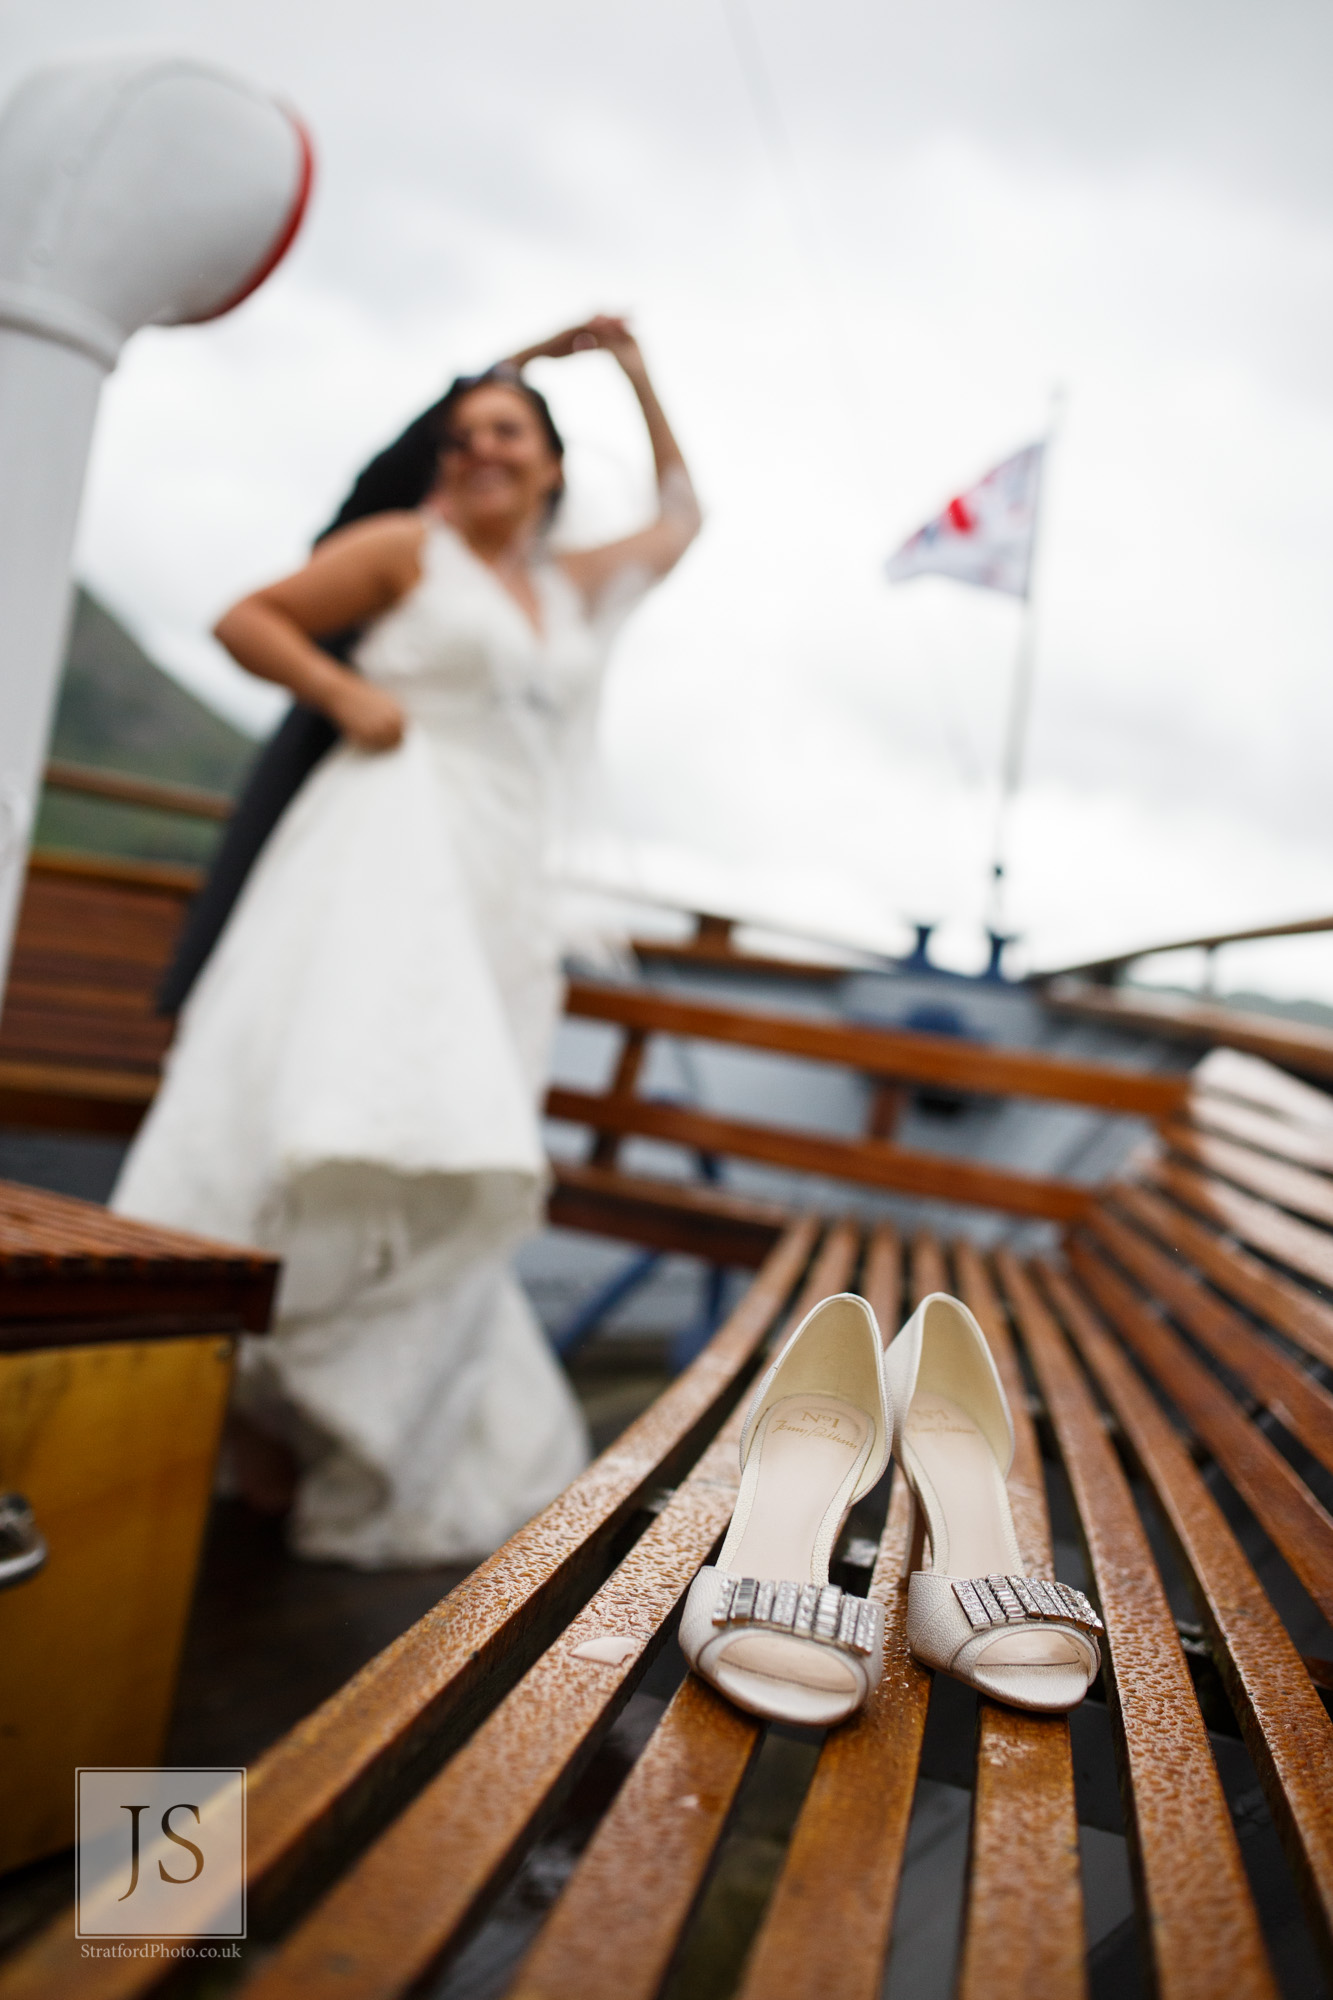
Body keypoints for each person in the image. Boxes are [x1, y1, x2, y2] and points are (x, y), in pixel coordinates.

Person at [112, 316, 701, 1568]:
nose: (483, 448)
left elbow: (684, 518)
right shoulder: (401, 550)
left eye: (509, 432)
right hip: (376, 857)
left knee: (452, 1137)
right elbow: (247, 618)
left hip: (497, 895)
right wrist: (345, 694)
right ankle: (247, 1408)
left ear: (549, 465)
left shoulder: (561, 585)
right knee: (340, 1101)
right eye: (464, 433)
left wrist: (633, 374)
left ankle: (338, 1422)